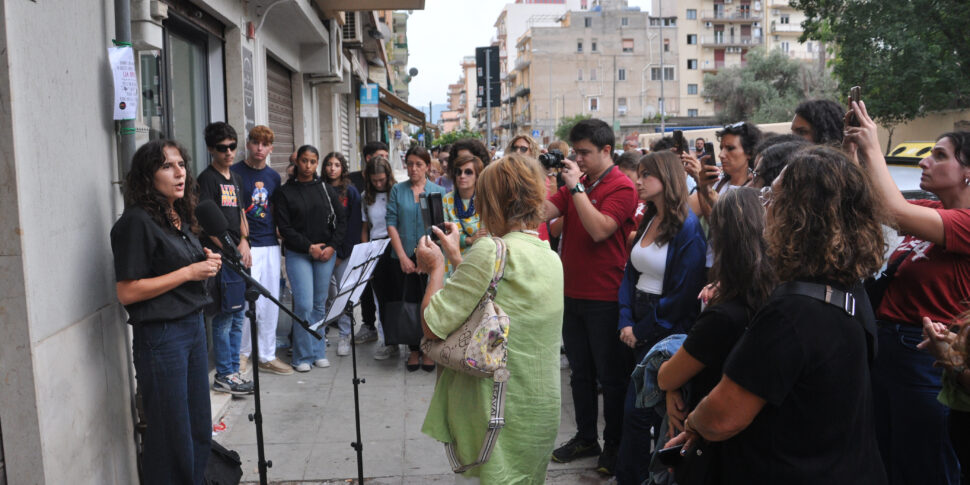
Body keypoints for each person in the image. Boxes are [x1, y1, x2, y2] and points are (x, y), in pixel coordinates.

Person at [668, 146, 888, 484]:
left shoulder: (792, 313)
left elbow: (724, 416)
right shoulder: (851, 287)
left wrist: (693, 422)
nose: (765, 204)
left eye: (772, 194)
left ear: (799, 216)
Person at [416, 153, 564, 484]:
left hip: (494, 411)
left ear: (493, 200)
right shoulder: (551, 256)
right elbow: (493, 295)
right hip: (538, 408)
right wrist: (457, 256)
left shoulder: (490, 250)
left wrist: (437, 267)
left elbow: (432, 325)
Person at [845, 101, 968, 485]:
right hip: (889, 351)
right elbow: (867, 203)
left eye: (939, 155)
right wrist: (852, 150)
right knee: (889, 461)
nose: (925, 162)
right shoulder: (931, 209)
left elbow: (892, 209)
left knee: (924, 466)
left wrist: (872, 146)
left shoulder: (965, 224)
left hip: (925, 355)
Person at [110, 140, 222, 484]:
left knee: (198, 426)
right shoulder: (136, 222)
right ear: (147, 176)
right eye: (167, 166)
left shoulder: (178, 216)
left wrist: (204, 262)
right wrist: (189, 272)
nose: (179, 172)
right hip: (162, 336)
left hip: (191, 328)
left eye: (181, 164)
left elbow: (173, 266)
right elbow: (127, 292)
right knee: (171, 433)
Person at [656, 187, 776, 484]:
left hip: (713, 447)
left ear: (722, 241)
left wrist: (673, 386)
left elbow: (666, 377)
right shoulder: (779, 301)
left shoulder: (723, 315)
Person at [542, 118, 639, 475]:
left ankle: (613, 444)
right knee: (580, 374)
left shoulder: (622, 186)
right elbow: (543, 214)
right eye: (575, 152)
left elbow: (600, 230)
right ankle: (586, 437)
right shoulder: (577, 184)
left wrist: (576, 191)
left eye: (585, 153)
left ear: (606, 151)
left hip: (605, 297)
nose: (578, 159)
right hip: (571, 293)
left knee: (610, 377)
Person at [614, 151, 707, 484]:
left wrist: (640, 331)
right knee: (642, 414)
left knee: (647, 414)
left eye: (645, 175)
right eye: (637, 174)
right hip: (638, 319)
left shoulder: (688, 228)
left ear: (666, 179)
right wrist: (626, 319)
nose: (637, 181)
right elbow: (630, 273)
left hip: (664, 328)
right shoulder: (649, 218)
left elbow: (682, 295)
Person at [272, 145, 346, 372]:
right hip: (299, 253)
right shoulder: (285, 192)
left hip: (325, 254)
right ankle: (301, 356)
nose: (308, 166)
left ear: (317, 164)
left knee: (319, 304)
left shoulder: (325, 189)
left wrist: (332, 247)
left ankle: (318, 352)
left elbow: (342, 221)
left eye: (313, 161)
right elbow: (284, 227)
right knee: (303, 305)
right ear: (297, 163)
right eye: (304, 161)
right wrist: (308, 247)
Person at [197, 122, 254, 395]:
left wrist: (245, 242)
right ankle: (224, 373)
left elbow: (242, 211)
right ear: (211, 149)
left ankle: (233, 370)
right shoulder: (207, 179)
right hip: (220, 256)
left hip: (237, 254)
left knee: (238, 316)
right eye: (223, 148)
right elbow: (206, 222)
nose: (229, 152)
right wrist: (228, 249)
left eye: (232, 146)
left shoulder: (237, 178)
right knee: (224, 317)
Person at [232, 126, 293, 375]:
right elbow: (232, 209)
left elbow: (274, 208)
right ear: (248, 144)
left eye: (264, 144)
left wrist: (280, 231)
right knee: (247, 300)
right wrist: (242, 238)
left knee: (270, 302)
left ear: (271, 149)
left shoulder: (273, 177)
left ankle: (267, 354)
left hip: (269, 244)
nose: (259, 148)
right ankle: (243, 353)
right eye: (255, 142)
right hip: (247, 245)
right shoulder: (235, 173)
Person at [386, 146, 447, 371]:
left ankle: (429, 348)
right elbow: (391, 222)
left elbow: (440, 228)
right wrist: (403, 256)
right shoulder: (397, 190)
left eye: (418, 164)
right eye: (410, 163)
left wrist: (427, 258)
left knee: (429, 304)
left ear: (428, 167)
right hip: (402, 257)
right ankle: (413, 349)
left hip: (429, 258)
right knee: (408, 303)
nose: (413, 168)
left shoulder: (437, 191)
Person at [321, 151, 363, 357]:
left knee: (344, 293)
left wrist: (342, 253)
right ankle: (320, 333)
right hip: (321, 251)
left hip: (343, 252)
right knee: (323, 295)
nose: (332, 168)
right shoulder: (319, 188)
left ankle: (345, 334)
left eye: (336, 164)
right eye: (329, 164)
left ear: (343, 168)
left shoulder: (351, 192)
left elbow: (354, 224)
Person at [684, 121, 763, 220]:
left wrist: (705, 189)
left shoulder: (756, 190)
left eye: (730, 148)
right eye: (721, 148)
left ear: (750, 152)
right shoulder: (719, 182)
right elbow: (689, 212)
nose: (721, 155)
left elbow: (722, 223)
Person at [361, 156, 399, 360]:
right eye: (374, 180)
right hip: (376, 246)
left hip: (396, 245)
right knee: (381, 298)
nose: (378, 184)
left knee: (398, 296)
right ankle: (388, 342)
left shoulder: (397, 191)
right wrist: (367, 253)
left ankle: (406, 337)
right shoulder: (365, 196)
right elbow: (365, 228)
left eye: (382, 180)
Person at [442, 154, 485, 275]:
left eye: (468, 172)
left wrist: (458, 238)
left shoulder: (484, 200)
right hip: (450, 263)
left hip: (476, 261)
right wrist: (469, 240)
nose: (462, 176)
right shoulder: (446, 200)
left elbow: (486, 235)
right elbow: (443, 236)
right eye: (458, 172)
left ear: (477, 176)